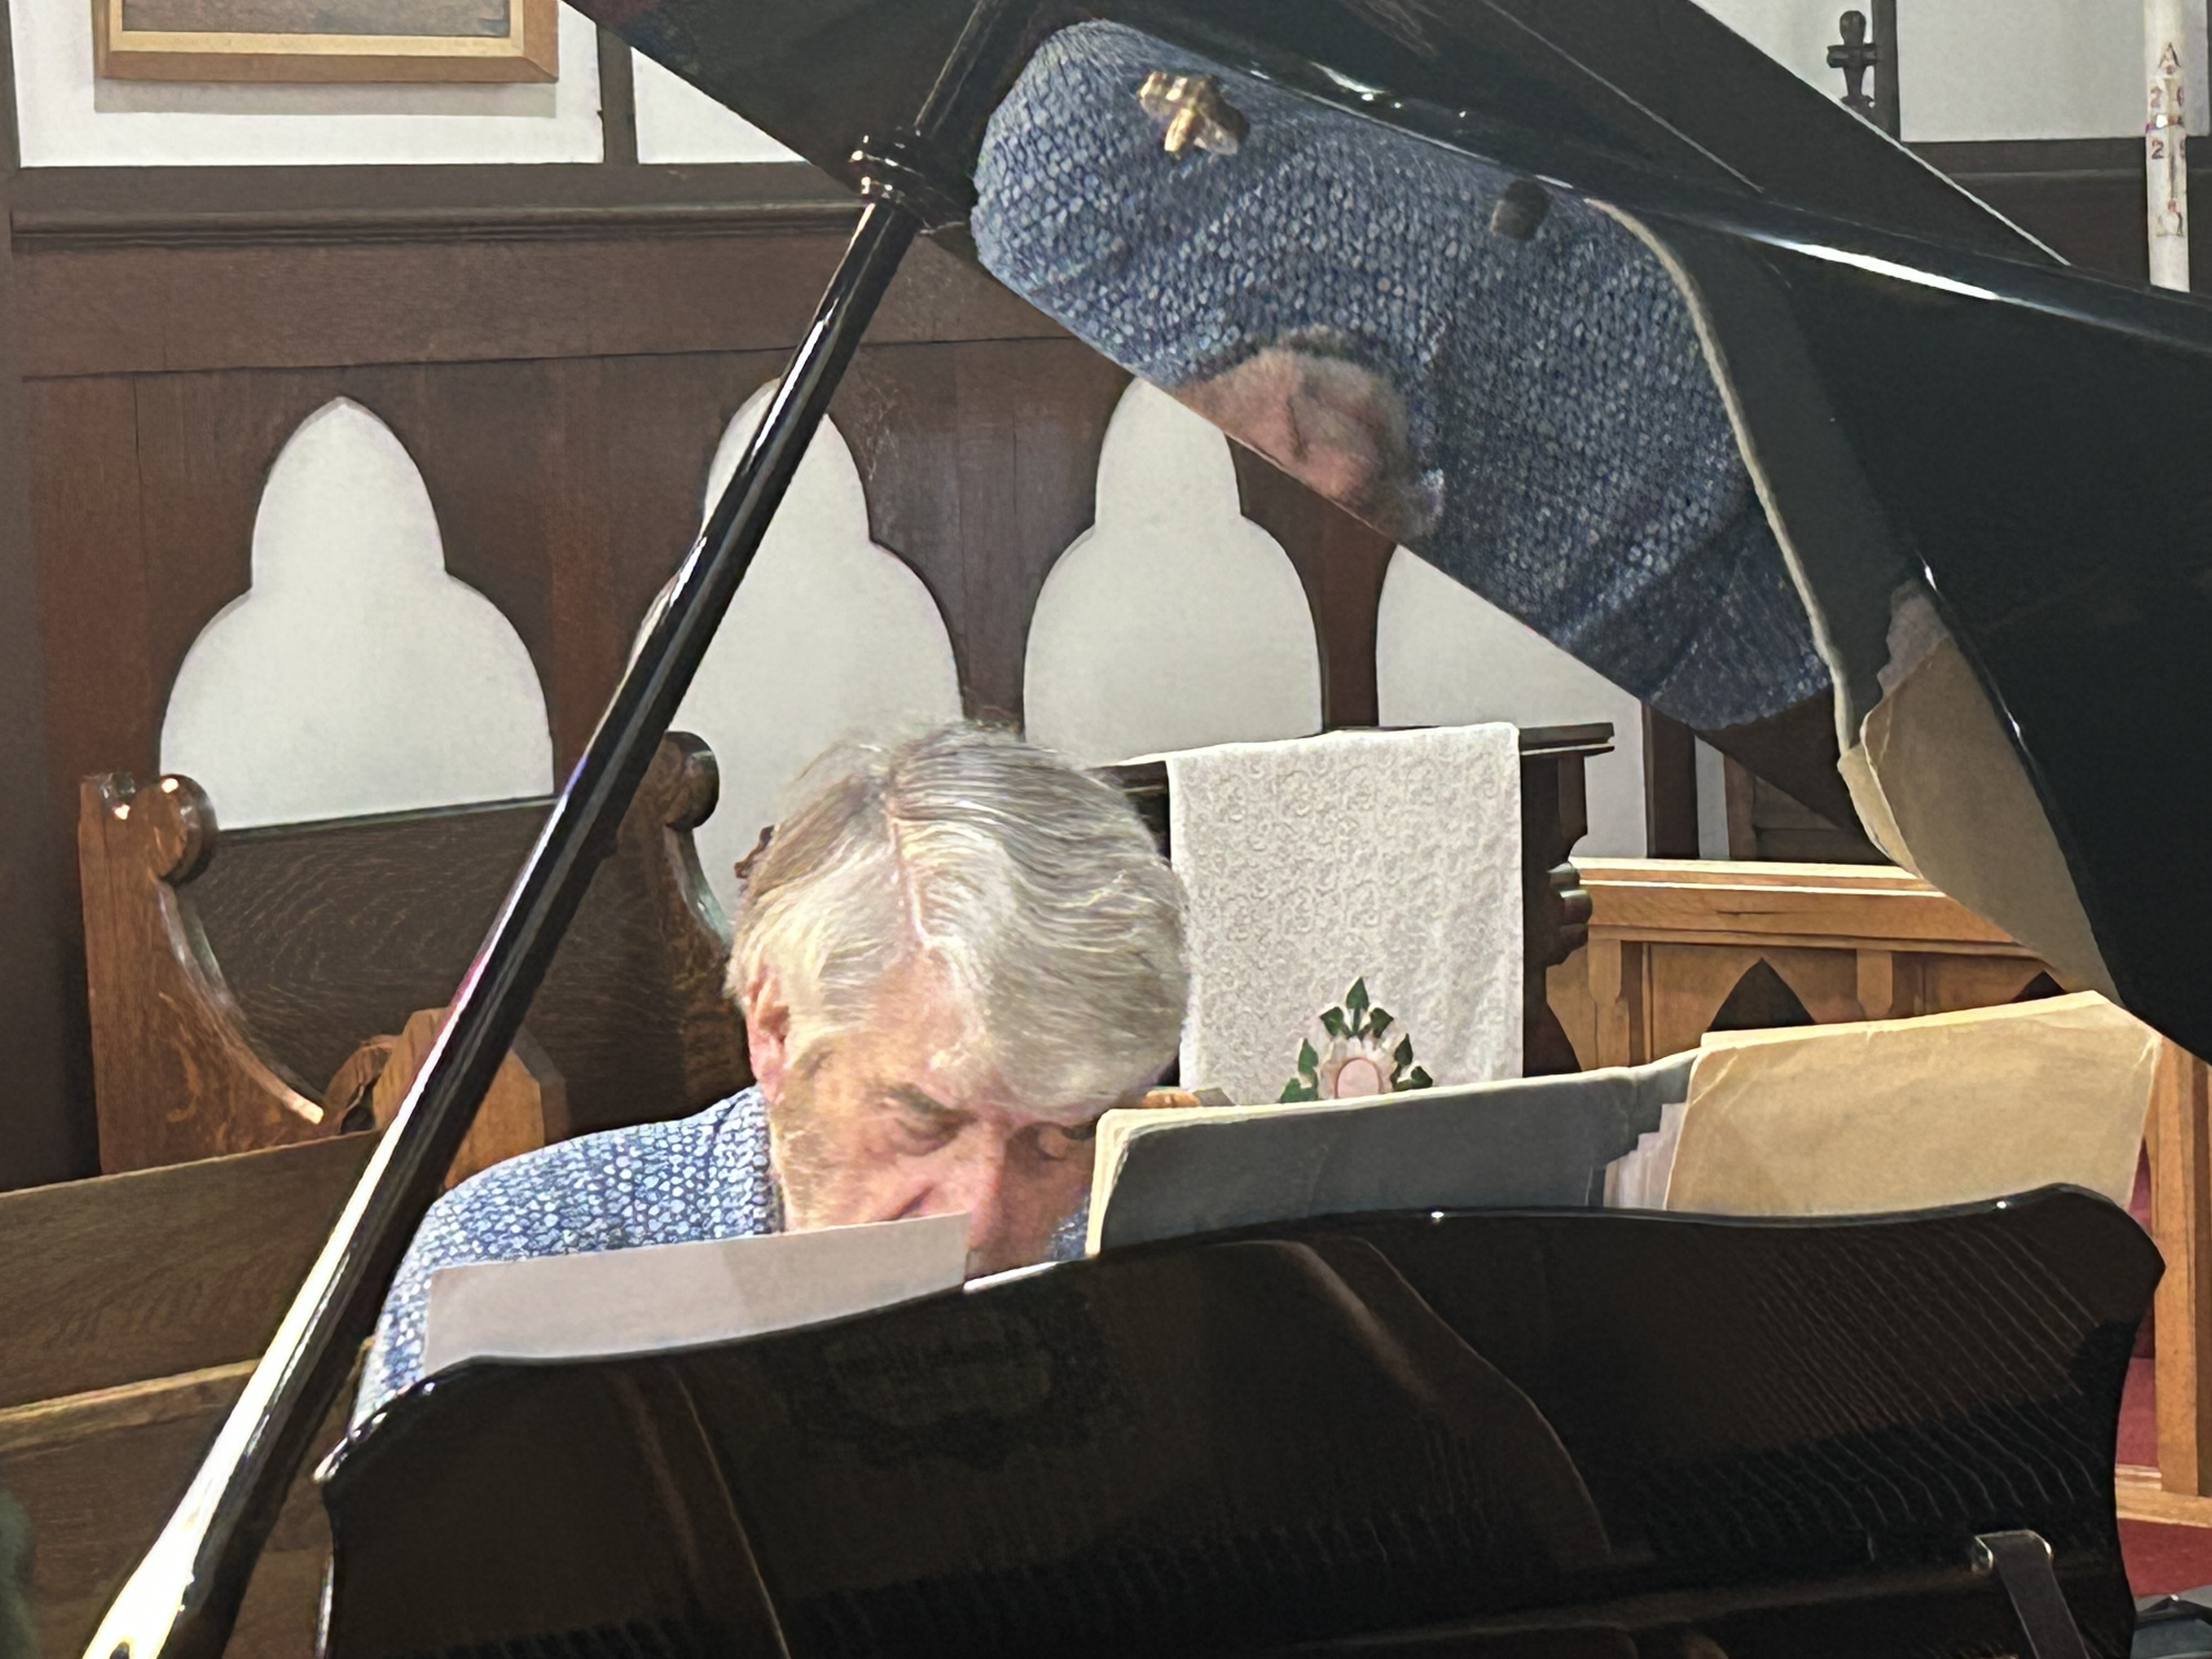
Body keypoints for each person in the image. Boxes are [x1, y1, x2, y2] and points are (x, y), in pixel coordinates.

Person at [355, 722, 1188, 1420]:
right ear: (777, 1028)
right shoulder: (524, 1255)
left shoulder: (1148, 1255)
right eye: (923, 1119)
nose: (982, 1220)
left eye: (1059, 1137)